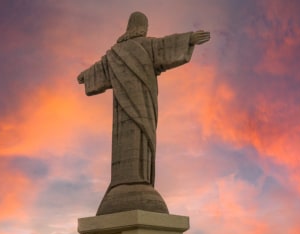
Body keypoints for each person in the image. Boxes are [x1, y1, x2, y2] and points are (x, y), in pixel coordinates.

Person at [78, 12, 210, 203]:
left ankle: (130, 182)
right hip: (142, 106)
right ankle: (132, 182)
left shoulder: (115, 52)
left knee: (137, 137)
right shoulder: (135, 48)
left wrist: (86, 75)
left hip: (127, 108)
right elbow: (165, 46)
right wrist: (189, 39)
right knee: (139, 137)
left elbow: (100, 68)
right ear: (142, 26)